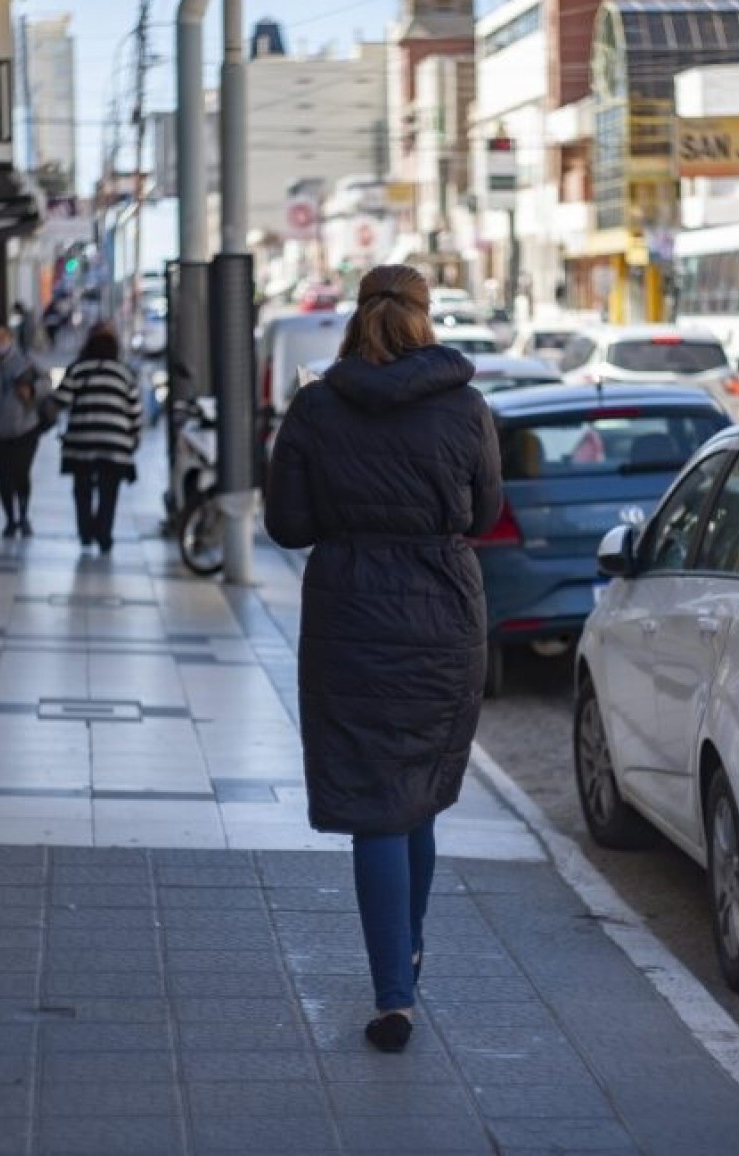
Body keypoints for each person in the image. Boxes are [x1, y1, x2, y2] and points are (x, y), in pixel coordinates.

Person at [262, 264, 503, 1055]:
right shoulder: (466, 407)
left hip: (350, 614)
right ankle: (410, 947)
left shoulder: (317, 406)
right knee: (420, 793)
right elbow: (486, 510)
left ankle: (393, 996)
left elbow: (288, 525)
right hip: (443, 610)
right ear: (425, 318)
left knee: (376, 800)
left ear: (357, 316)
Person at [54, 324, 144, 553]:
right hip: (114, 443)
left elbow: (61, 399)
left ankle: (85, 532)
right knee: (109, 491)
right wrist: (134, 437)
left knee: (82, 489)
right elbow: (134, 410)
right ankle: (104, 535)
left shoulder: (78, 370)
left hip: (82, 441)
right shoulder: (124, 373)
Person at [0, 321, 48, 537]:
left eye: (3, 337)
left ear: (10, 339)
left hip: (25, 428)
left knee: (21, 472)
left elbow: (46, 382)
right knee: (4, 476)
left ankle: (23, 515)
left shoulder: (25, 362)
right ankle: (10, 518)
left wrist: (32, 390)